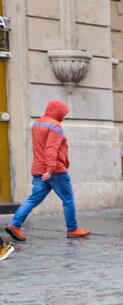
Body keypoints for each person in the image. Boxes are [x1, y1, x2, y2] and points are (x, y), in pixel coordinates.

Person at [5, 100, 89, 241]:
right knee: (68, 199)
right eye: (63, 114)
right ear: (58, 112)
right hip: (55, 170)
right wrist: (50, 169)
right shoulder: (55, 126)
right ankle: (72, 229)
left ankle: (14, 225)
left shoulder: (37, 123)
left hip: (39, 169)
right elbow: (51, 149)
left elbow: (38, 148)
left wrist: (43, 170)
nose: (63, 117)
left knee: (33, 199)